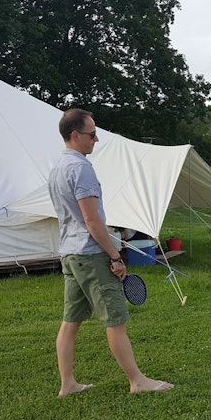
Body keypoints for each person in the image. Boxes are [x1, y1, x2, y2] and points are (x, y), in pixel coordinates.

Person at [48, 108, 173, 396]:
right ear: (75, 135)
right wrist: (115, 256)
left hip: (69, 254)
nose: (97, 139)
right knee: (116, 321)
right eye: (92, 134)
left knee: (70, 322)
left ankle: (68, 384)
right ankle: (138, 382)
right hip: (90, 255)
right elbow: (92, 221)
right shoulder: (81, 168)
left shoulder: (57, 168)